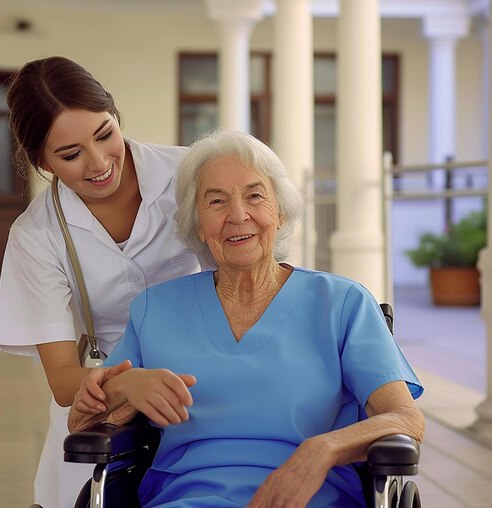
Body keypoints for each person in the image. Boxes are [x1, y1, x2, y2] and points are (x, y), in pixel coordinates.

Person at [69, 129, 425, 507]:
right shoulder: (153, 309)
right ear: (197, 225)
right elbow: (83, 426)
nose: (238, 215)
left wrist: (322, 451)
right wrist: (124, 388)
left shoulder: (342, 303)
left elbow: (406, 419)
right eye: (216, 202)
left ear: (280, 211)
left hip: (312, 497)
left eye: (255, 195)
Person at [0, 56, 201, 507]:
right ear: (40, 160)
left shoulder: (190, 176)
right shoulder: (36, 235)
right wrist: (126, 384)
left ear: (116, 116)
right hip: (99, 399)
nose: (99, 162)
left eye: (105, 134)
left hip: (200, 381)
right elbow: (66, 381)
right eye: (70, 155)